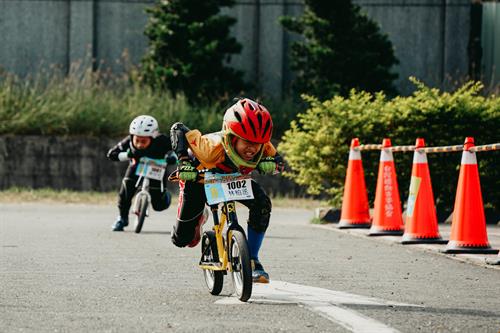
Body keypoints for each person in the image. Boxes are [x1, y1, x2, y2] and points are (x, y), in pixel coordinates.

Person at [170, 98, 284, 283]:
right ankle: (201, 217)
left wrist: (273, 164)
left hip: (233, 180)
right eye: (246, 141)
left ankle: (253, 260)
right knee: (183, 240)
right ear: (231, 137)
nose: (253, 149)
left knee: (262, 204)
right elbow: (178, 128)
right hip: (199, 179)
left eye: (258, 143)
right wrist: (184, 162)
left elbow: (278, 161)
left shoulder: (262, 145)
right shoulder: (209, 148)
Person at [107, 115, 174, 231]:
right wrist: (127, 155)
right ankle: (122, 219)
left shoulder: (162, 141)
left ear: (153, 137)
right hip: (136, 167)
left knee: (159, 205)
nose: (139, 144)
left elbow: (177, 150)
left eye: (143, 141)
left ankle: (165, 196)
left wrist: (172, 157)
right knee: (125, 191)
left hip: (157, 169)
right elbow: (112, 154)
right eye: (136, 140)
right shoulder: (128, 141)